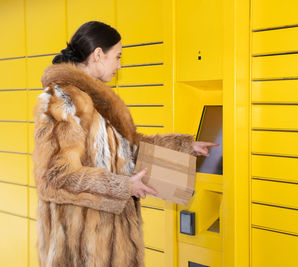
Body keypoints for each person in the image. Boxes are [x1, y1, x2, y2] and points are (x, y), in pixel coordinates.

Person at [33, 21, 217, 267]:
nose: (119, 66)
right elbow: (54, 177)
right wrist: (122, 186)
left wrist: (183, 146)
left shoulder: (97, 102)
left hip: (113, 242)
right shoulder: (62, 100)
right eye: (117, 57)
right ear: (98, 54)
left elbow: (128, 147)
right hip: (83, 250)